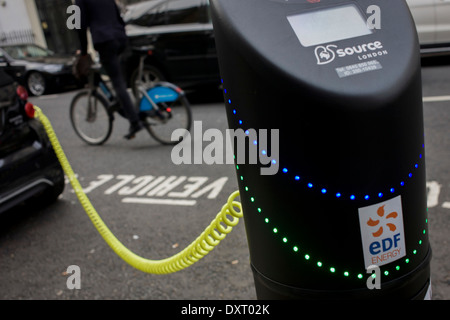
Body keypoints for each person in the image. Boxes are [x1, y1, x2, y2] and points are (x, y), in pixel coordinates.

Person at [76, 0, 143, 139]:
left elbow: (79, 25)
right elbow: (118, 16)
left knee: (117, 82)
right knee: (119, 78)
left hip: (105, 40)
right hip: (120, 38)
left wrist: (83, 51)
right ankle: (122, 102)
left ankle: (134, 121)